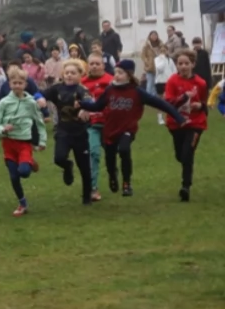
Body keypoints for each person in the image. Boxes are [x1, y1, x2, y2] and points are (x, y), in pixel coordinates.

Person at [80, 59, 184, 198]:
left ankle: (126, 183)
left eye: (120, 73)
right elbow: (97, 106)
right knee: (110, 159)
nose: (117, 75)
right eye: (116, 72)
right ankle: (112, 175)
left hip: (127, 129)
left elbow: (161, 104)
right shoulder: (110, 90)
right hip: (110, 130)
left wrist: (178, 117)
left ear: (129, 75)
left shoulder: (137, 92)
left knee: (124, 150)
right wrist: (81, 104)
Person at [0, 67, 48, 217]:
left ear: (25, 85)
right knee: (14, 176)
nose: (17, 86)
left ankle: (29, 162)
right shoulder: (4, 103)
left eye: (20, 83)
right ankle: (22, 203)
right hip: (8, 144)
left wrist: (42, 141)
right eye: (14, 83)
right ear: (10, 84)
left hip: (24, 143)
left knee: (24, 172)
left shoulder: (31, 102)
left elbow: (39, 122)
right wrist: (2, 129)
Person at [40, 60, 93, 204]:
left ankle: (87, 196)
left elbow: (90, 101)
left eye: (73, 73)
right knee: (59, 158)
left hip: (80, 133)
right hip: (63, 131)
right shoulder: (57, 88)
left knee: (84, 167)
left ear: (80, 75)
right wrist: (40, 99)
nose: (69, 75)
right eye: (67, 72)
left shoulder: (82, 90)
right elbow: (40, 93)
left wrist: (85, 108)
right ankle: (67, 166)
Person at [163, 49, 207, 202]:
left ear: (193, 64)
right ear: (176, 65)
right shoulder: (172, 81)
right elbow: (169, 104)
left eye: (186, 63)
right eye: (180, 63)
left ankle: (185, 187)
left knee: (187, 154)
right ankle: (186, 166)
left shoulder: (200, 83)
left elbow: (204, 103)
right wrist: (183, 98)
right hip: (176, 124)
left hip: (195, 124)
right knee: (180, 156)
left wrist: (200, 106)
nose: (183, 66)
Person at [80, 52, 114, 201]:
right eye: (91, 64)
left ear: (103, 65)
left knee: (112, 155)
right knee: (93, 153)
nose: (94, 66)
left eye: (97, 64)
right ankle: (93, 188)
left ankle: (113, 175)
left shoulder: (111, 81)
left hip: (109, 124)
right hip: (91, 125)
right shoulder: (82, 83)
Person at [141, 30, 162, 95]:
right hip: (150, 67)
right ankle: (148, 95)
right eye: (152, 35)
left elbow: (164, 52)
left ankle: (154, 96)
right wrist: (147, 62)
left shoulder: (160, 44)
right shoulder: (146, 45)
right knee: (150, 82)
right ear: (150, 36)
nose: (154, 36)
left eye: (155, 35)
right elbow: (143, 55)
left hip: (158, 66)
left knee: (156, 83)